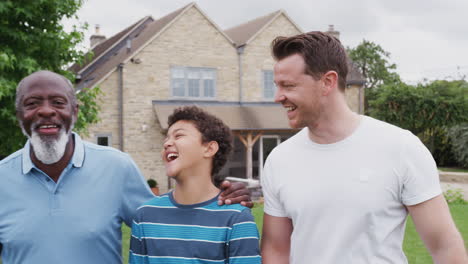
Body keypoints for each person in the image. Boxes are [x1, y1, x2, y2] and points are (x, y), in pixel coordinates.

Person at [0, 70, 252, 264]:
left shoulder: (116, 167)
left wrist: (221, 196)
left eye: (57, 102)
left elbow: (167, 217)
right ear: (18, 114)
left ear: (74, 112)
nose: (46, 111)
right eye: (32, 103)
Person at [260, 32, 468, 263]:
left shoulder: (401, 148)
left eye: (288, 86)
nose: (278, 97)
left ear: (327, 82)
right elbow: (276, 250)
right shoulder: (279, 159)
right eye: (277, 86)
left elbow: (445, 246)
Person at [129, 106, 261, 264]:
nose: (166, 143)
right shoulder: (145, 216)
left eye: (178, 135)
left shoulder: (237, 219)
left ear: (209, 148)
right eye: (166, 138)